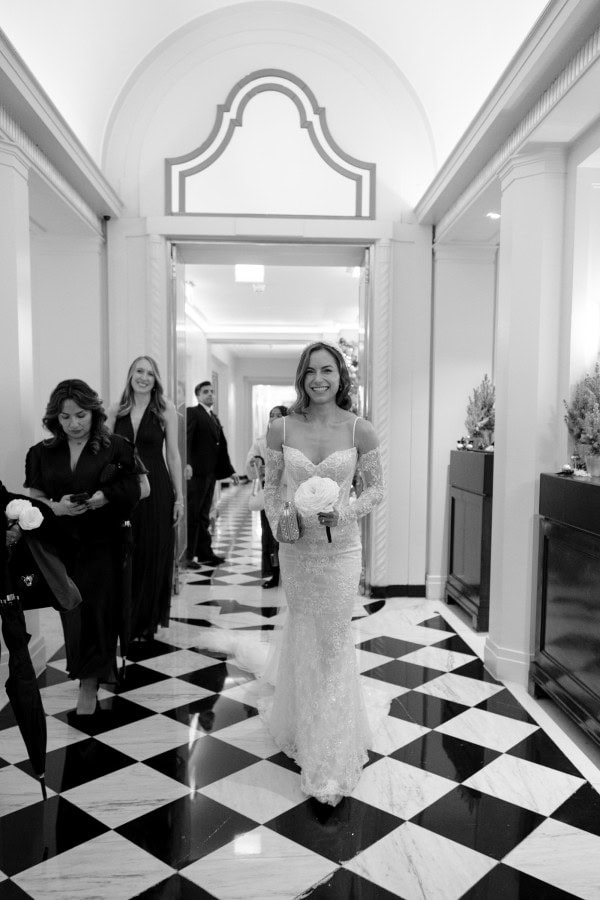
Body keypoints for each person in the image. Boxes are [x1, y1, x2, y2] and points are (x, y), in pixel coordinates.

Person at [263, 342, 384, 805]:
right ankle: (300, 721)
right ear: (301, 377)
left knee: (333, 642)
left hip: (341, 553)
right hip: (297, 552)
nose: (319, 379)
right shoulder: (280, 428)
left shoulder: (361, 429)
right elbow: (273, 490)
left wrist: (347, 512)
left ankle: (329, 754)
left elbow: (375, 490)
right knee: (306, 634)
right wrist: (282, 522)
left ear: (340, 377)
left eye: (327, 370)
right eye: (311, 371)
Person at [25, 379, 140, 714]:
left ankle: (90, 684)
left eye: (80, 415)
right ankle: (87, 673)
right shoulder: (41, 453)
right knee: (74, 614)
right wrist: (57, 507)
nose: (73, 424)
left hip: (104, 543)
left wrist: (106, 496)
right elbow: (35, 500)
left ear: (93, 413)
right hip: (63, 546)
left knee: (100, 611)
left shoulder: (115, 446)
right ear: (54, 418)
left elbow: (141, 486)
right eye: (64, 417)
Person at [107, 356, 184, 640]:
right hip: (123, 491)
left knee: (153, 552)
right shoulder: (116, 410)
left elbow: (173, 455)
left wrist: (179, 499)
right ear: (130, 375)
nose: (144, 377)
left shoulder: (165, 409)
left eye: (150, 373)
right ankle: (124, 617)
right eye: (139, 371)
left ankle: (146, 621)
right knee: (126, 554)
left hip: (158, 488)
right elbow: (105, 452)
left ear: (156, 380)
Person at [185, 380, 239, 568]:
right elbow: (187, 440)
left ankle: (204, 553)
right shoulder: (193, 413)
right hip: (196, 473)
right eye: (205, 392)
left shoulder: (213, 417)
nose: (210, 394)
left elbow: (221, 447)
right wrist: (187, 464)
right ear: (198, 395)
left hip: (209, 473)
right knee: (193, 514)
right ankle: (188, 556)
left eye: (212, 392)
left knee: (203, 515)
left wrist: (230, 471)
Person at [245, 405, 288, 588]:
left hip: (290, 493)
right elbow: (250, 466)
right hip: (269, 494)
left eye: (279, 415)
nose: (275, 418)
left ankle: (291, 574)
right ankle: (274, 573)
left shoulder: (296, 440)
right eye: (272, 415)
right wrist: (256, 462)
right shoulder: (261, 441)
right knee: (270, 536)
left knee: (289, 533)